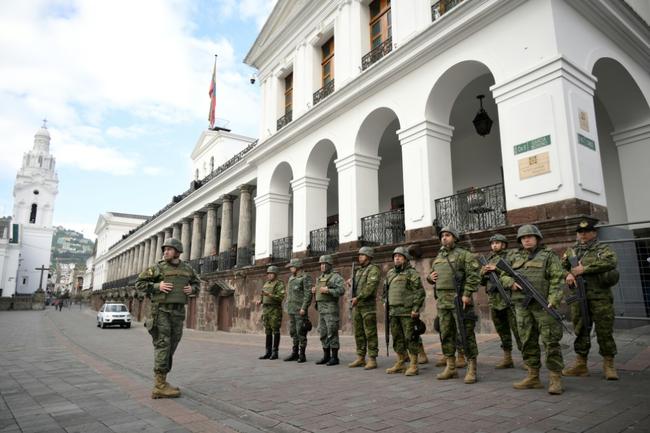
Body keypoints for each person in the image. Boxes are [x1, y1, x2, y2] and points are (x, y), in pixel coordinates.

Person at [500, 224, 565, 395]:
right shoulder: (513, 256)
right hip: (522, 305)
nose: (526, 239)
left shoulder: (549, 255)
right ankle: (533, 376)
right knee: (527, 340)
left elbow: (557, 278)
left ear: (537, 238)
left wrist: (553, 299)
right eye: (523, 237)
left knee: (550, 341)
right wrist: (510, 283)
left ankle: (555, 378)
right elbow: (503, 274)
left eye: (530, 236)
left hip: (543, 305)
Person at [135, 238, 200, 399]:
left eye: (169, 249)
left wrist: (192, 289)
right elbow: (139, 284)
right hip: (161, 311)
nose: (165, 252)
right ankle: (159, 385)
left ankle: (163, 380)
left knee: (172, 345)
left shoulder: (187, 269)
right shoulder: (157, 268)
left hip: (178, 313)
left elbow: (197, 284)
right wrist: (158, 286)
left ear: (178, 251)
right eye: (164, 249)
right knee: (163, 345)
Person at [562, 218, 620, 380]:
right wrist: (567, 274)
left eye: (587, 232)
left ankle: (608, 364)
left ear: (594, 233)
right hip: (579, 297)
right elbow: (560, 267)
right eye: (580, 232)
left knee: (604, 329)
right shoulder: (571, 251)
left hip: (600, 296)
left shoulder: (603, 248)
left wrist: (584, 269)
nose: (583, 235)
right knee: (580, 329)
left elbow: (611, 262)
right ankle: (581, 364)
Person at [427, 226, 480, 384]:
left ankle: (471, 368)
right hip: (442, 301)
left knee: (465, 333)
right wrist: (430, 278)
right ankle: (450, 367)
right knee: (446, 333)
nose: (444, 238)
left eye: (448, 235)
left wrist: (467, 294)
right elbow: (432, 275)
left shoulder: (465, 255)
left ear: (455, 238)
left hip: (459, 300)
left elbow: (473, 276)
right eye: (442, 235)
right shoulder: (438, 256)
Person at [480, 233, 522, 368]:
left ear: (504, 244)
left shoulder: (512, 255)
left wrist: (496, 268)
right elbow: (481, 282)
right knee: (501, 329)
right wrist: (482, 272)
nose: (494, 245)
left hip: (509, 297)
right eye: (492, 243)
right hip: (494, 299)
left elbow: (514, 273)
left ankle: (528, 359)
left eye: (497, 243)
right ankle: (507, 357)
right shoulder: (488, 258)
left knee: (518, 329)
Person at [384, 247, 425, 376]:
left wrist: (415, 309)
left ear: (406, 258)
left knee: (411, 338)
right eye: (395, 256)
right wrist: (385, 301)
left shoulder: (411, 273)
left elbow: (419, 292)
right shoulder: (390, 273)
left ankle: (413, 364)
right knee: (397, 338)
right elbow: (385, 291)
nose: (397, 258)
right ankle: (401, 362)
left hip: (407, 312)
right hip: (393, 312)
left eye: (400, 256)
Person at [348, 246, 381, 370]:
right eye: (359, 255)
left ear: (368, 257)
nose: (359, 257)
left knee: (370, 333)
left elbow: (370, 288)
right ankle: (361, 357)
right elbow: (357, 285)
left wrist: (359, 297)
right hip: (358, 306)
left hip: (367, 306)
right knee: (359, 333)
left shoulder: (373, 269)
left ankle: (372, 358)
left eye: (362, 255)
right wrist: (351, 283)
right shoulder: (358, 271)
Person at [311, 255, 345, 366]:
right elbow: (319, 291)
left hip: (330, 308)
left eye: (324, 264)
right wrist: (315, 291)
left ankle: (334, 357)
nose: (322, 266)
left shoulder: (336, 277)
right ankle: (326, 356)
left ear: (330, 265)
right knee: (323, 332)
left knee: (332, 332)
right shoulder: (320, 277)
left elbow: (341, 290)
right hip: (321, 309)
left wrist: (329, 290)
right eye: (321, 264)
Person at [283, 258, 313, 363]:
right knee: (293, 332)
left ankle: (302, 354)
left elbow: (308, 294)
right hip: (292, 309)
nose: (290, 268)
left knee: (301, 332)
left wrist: (304, 308)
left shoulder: (305, 277)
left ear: (297, 266)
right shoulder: (291, 278)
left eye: (292, 266)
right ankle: (294, 353)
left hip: (300, 310)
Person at [256, 266, 285, 360]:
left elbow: (280, 297)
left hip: (275, 310)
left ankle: (275, 352)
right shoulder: (266, 284)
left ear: (275, 274)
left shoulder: (279, 284)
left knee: (275, 330)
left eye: (271, 273)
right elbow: (262, 294)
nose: (269, 275)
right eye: (268, 274)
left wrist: (269, 295)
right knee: (268, 331)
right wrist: (260, 301)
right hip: (266, 309)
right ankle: (267, 352)